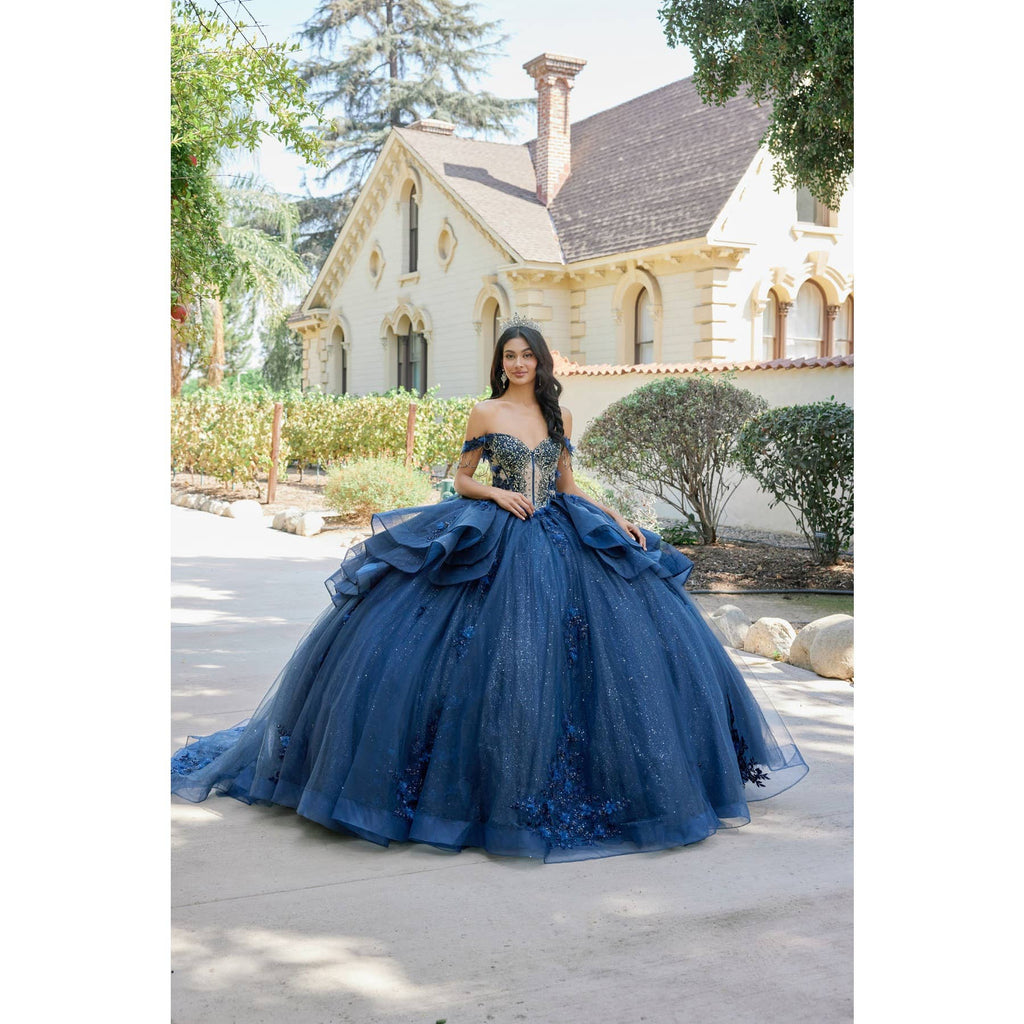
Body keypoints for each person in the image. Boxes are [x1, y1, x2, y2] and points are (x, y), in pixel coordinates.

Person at [171, 313, 808, 862]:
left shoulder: (553, 411)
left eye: (529, 354)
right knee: (465, 649)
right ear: (500, 362)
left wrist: (618, 519)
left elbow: (567, 485)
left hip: (557, 528)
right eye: (510, 354)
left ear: (542, 362)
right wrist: (498, 491)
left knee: (604, 643)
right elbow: (461, 477)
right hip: (497, 528)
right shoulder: (487, 410)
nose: (520, 363)